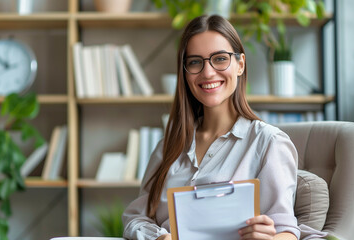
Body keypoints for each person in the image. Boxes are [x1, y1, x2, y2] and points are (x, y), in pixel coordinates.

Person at [122, 15, 299, 240]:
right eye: (195, 62)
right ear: (185, 73)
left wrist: (270, 238)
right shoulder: (169, 146)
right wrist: (158, 238)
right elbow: (135, 217)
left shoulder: (269, 142)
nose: (207, 73)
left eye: (220, 59)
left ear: (240, 64)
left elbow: (287, 231)